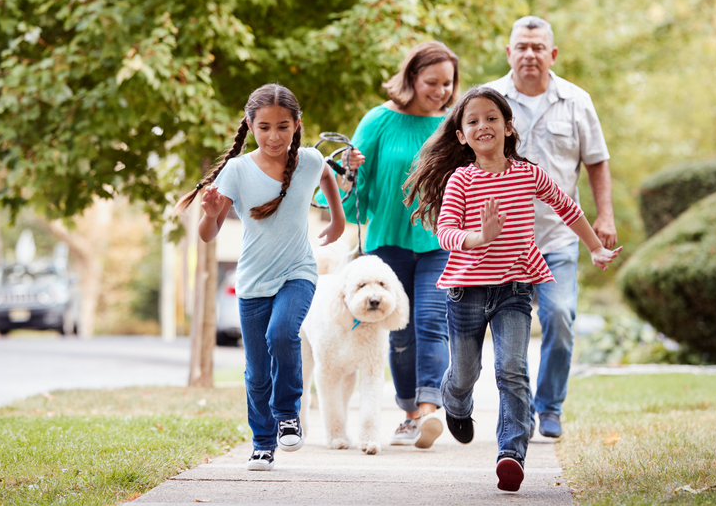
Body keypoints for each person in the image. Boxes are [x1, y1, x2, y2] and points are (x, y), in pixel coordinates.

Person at [404, 86, 621, 492]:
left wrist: (594, 247)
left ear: (507, 126)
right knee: (465, 373)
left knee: (512, 369)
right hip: (466, 290)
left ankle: (511, 453)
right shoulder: (460, 180)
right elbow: (446, 232)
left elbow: (567, 206)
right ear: (461, 136)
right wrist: (478, 237)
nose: (483, 125)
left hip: (514, 289)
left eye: (491, 118)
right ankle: (456, 403)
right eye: (472, 121)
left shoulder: (528, 173)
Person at [175, 84, 346, 471]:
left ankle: (288, 414)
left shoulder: (309, 160)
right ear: (250, 125)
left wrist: (337, 219)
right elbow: (208, 234)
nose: (274, 136)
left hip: (297, 272)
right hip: (252, 281)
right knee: (256, 371)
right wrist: (211, 212)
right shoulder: (237, 170)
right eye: (264, 127)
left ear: (296, 124)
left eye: (283, 126)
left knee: (281, 334)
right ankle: (263, 443)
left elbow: (327, 177)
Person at [483, 16, 618, 439]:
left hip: (560, 236)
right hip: (503, 243)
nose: (529, 54)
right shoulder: (489, 101)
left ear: (552, 54)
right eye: (521, 46)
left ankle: (550, 406)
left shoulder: (577, 101)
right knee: (508, 335)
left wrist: (605, 215)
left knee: (560, 316)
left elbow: (596, 160)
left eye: (538, 47)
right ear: (509, 53)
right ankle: (517, 414)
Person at [321, 41, 460, 448]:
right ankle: (410, 415)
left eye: (447, 83)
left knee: (431, 323)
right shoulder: (379, 120)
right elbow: (356, 193)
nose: (440, 91)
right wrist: (348, 172)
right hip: (387, 244)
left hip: (439, 241)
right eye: (431, 82)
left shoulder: (454, 124)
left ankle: (430, 409)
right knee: (398, 333)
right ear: (411, 78)